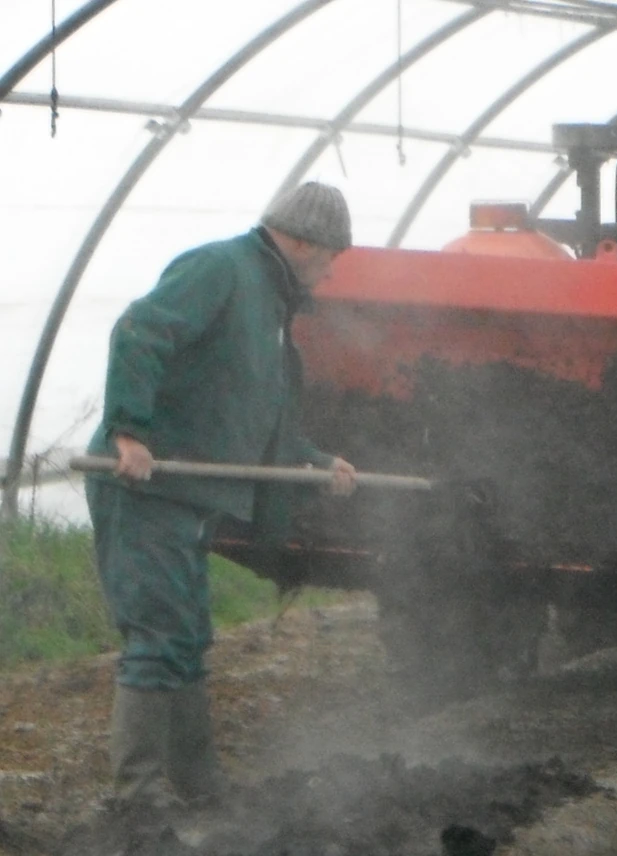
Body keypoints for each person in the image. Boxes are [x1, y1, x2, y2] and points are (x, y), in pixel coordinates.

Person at [85, 181, 358, 813]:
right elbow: (140, 331)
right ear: (302, 242)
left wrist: (315, 461)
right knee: (158, 636)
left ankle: (198, 784)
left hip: (190, 497)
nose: (330, 272)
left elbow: (254, 412)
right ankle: (139, 798)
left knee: (187, 638)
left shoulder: (271, 305)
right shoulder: (221, 269)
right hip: (145, 487)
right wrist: (128, 431)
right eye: (330, 256)